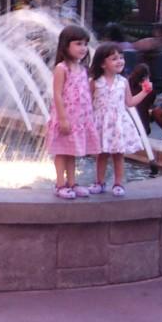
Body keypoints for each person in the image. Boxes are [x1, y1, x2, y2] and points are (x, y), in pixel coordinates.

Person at [88, 44, 153, 197]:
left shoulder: (123, 82)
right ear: (103, 63)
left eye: (121, 58)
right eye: (114, 58)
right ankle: (100, 182)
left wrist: (145, 92)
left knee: (118, 154)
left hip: (118, 123)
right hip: (102, 123)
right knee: (102, 153)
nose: (120, 61)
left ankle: (118, 183)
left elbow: (129, 102)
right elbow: (88, 102)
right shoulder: (95, 82)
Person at [45, 25, 100, 199]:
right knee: (61, 151)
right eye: (78, 43)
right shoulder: (62, 68)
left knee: (72, 151)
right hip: (65, 117)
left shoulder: (82, 69)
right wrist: (62, 118)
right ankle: (60, 184)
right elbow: (57, 93)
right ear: (66, 46)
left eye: (85, 44)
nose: (83, 48)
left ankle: (72, 182)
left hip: (79, 119)